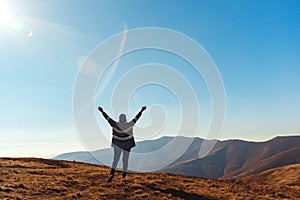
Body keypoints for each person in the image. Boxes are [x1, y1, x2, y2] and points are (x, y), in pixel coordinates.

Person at [98, 106, 147, 182]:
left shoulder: (115, 124)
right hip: (127, 145)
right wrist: (141, 111)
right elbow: (136, 118)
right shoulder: (129, 124)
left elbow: (107, 118)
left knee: (116, 160)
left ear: (119, 119)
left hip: (117, 145)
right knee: (125, 160)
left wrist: (102, 111)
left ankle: (112, 173)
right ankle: (123, 175)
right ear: (125, 119)